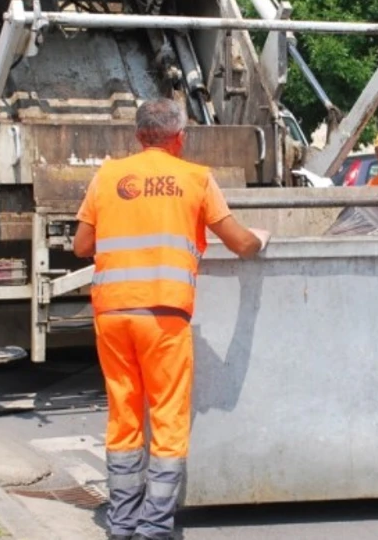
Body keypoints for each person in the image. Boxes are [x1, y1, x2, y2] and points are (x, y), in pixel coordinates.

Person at [73, 98, 271, 540]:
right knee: (166, 418)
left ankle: (121, 522)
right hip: (163, 316)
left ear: (138, 135)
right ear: (179, 136)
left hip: (113, 313)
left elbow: (81, 245)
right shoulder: (196, 178)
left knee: (123, 414)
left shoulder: (107, 176)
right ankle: (155, 525)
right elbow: (239, 243)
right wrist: (260, 240)